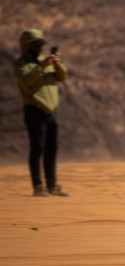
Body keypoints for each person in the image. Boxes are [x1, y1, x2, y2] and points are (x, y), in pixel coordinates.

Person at [13, 29, 70, 197]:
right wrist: (43, 66)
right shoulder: (20, 64)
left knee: (52, 149)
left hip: (52, 111)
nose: (39, 49)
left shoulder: (45, 61)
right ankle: (38, 186)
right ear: (27, 46)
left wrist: (57, 64)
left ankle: (52, 185)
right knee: (37, 148)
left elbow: (62, 77)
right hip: (34, 110)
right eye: (36, 46)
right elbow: (26, 79)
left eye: (41, 46)